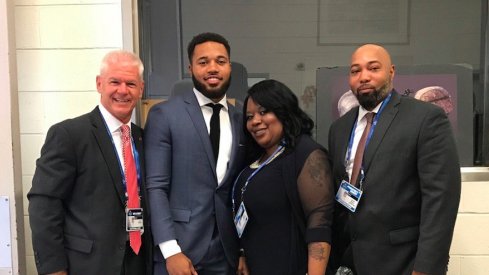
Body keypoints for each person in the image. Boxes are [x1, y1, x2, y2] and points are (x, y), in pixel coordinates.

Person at [327, 44, 461, 275]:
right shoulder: (339, 128)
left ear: (391, 72)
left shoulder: (426, 118)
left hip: (404, 262)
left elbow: (441, 199)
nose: (364, 77)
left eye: (373, 68)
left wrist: (426, 268)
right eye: (355, 71)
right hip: (351, 262)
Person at [28, 50, 153, 275]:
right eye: (114, 82)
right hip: (87, 265)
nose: (122, 90)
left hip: (138, 262)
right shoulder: (69, 135)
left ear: (141, 89)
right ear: (99, 84)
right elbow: (44, 205)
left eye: (131, 84)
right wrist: (53, 269)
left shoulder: (143, 138)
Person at [144, 32, 247, 275]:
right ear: (190, 68)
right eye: (203, 62)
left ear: (229, 67)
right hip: (180, 251)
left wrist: (241, 250)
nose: (213, 68)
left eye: (220, 61)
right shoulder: (165, 116)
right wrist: (171, 251)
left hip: (227, 255)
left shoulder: (241, 119)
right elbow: (155, 187)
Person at [234, 79, 334, 275]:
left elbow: (320, 221)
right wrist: (243, 253)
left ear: (283, 111)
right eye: (249, 116)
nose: (255, 121)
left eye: (263, 112)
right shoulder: (257, 157)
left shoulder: (306, 153)